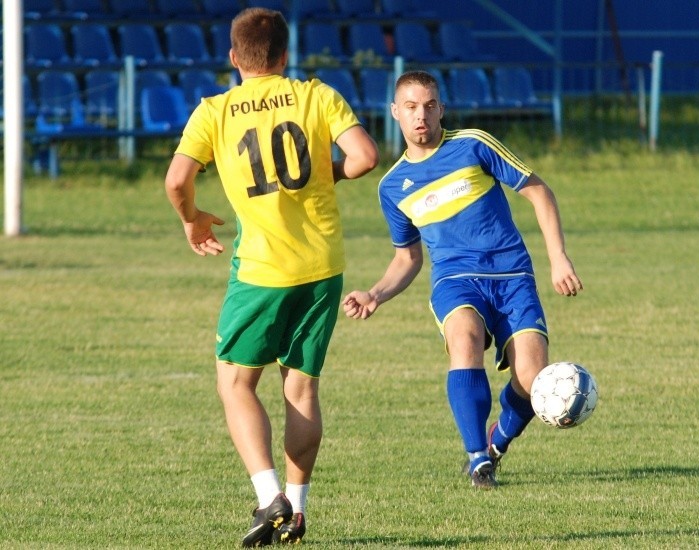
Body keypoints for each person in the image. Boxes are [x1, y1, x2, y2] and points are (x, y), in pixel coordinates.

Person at [165, 8, 379, 546]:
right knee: (301, 389)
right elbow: (365, 157)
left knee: (236, 383)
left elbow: (176, 180)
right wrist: (325, 174)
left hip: (261, 269)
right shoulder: (316, 96)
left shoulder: (214, 110)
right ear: (286, 55)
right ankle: (298, 510)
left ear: (235, 58)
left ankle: (269, 498)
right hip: (323, 266)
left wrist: (192, 219)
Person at [342, 70, 582, 489]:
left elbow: (538, 191)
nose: (422, 116)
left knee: (531, 377)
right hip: (455, 279)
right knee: (465, 336)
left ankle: (495, 444)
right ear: (395, 112)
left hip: (512, 275)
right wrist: (375, 293)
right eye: (412, 107)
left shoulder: (473, 144)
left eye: (430, 106)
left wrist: (558, 259)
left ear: (442, 110)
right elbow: (408, 258)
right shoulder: (392, 186)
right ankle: (476, 460)